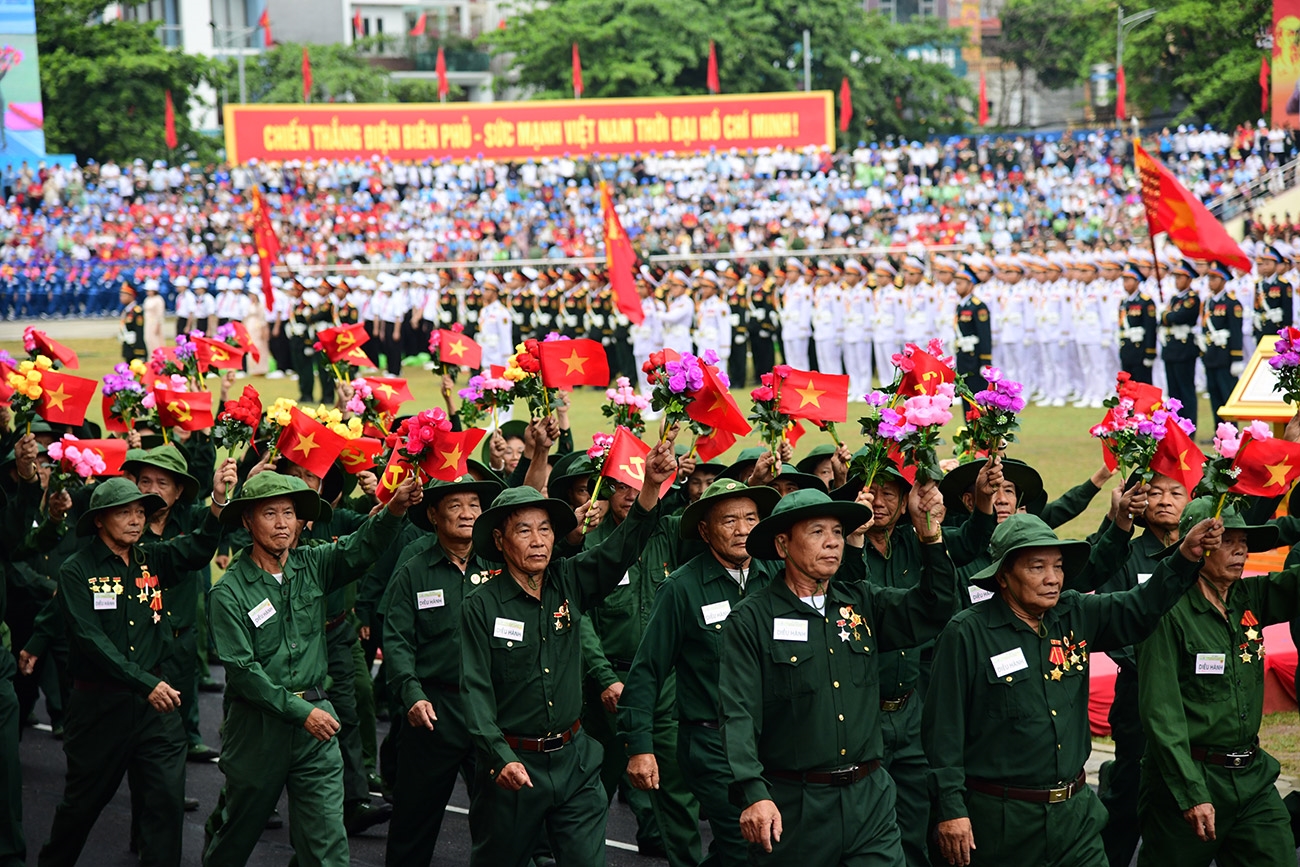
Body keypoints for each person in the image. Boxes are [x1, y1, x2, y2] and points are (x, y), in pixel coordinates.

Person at [923, 512, 1218, 867]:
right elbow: (943, 732)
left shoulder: (1076, 613)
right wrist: (951, 810)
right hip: (1002, 823)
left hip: (1076, 819)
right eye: (1037, 567)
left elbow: (1142, 606)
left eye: (1059, 567)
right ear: (1003, 575)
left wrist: (1184, 556)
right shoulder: (966, 633)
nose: (1053, 579)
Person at [459, 436, 677, 867]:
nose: (539, 540)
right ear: (500, 541)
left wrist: (650, 486)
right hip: (513, 766)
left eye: (545, 529)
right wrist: (499, 757)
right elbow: (474, 692)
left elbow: (622, 549)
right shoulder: (480, 606)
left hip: (575, 762)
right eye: (524, 530)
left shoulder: (568, 579)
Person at [719, 484, 958, 865]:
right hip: (796, 806)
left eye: (836, 532)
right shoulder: (751, 621)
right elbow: (738, 714)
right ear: (782, 546)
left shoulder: (862, 601)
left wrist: (931, 537)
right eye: (817, 532)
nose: (832, 543)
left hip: (871, 800)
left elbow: (935, 608)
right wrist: (753, 791)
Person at [201, 471, 421, 866]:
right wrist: (302, 713)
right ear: (248, 522)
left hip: (317, 725)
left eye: (290, 512)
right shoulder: (228, 592)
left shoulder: (314, 563)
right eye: (270, 513)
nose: (283, 522)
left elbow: (363, 547)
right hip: (258, 729)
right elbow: (244, 672)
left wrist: (395, 508)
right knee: (236, 835)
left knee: (326, 845)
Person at [38, 468, 231, 867]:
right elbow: (92, 642)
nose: (136, 519)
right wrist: (145, 682)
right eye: (124, 512)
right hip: (99, 711)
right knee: (81, 808)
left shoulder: (152, 557)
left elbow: (196, 550)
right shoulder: (77, 570)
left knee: (165, 803)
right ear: (99, 520)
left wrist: (217, 502)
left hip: (154, 713)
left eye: (141, 512)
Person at [621, 480, 783, 867]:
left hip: (773, 741)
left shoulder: (778, 575)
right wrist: (640, 747)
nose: (743, 529)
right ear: (705, 531)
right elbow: (647, 671)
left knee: (759, 845)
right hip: (712, 745)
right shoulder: (681, 588)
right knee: (746, 844)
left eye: (750, 518)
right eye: (729, 520)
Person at [1136, 498, 1297, 867]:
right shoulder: (1165, 610)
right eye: (1227, 540)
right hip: (1189, 778)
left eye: (1244, 541)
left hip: (1252, 777)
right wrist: (1190, 792)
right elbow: (1161, 714)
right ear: (1197, 546)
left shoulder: (1248, 596)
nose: (1240, 549)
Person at [381, 473, 502, 867]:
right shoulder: (414, 570)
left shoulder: (501, 566)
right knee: (414, 820)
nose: (467, 514)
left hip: (493, 710)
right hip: (434, 712)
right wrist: (411, 694)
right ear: (433, 514)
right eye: (455, 506)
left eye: (474, 505)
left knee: (501, 819)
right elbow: (397, 642)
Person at [1160, 260, 1202, 429]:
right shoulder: (1175, 299)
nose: (1177, 280)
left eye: (1180, 277)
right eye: (1176, 277)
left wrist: (1167, 315)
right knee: (1173, 392)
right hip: (1171, 348)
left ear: (1189, 278)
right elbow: (1164, 319)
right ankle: (1176, 426)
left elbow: (1177, 317)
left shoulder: (1192, 299)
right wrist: (1167, 315)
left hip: (1184, 350)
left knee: (1186, 392)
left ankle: (1189, 426)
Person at [1201, 262, 1244, 427]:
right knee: (1214, 395)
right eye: (1209, 278)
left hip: (1225, 357)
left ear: (1223, 279)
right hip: (1211, 355)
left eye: (1214, 278)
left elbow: (1236, 331)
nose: (1210, 282)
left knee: (1227, 395)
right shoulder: (1208, 302)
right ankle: (1218, 430)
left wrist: (1237, 358)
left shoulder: (1232, 303)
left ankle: (1231, 431)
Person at [953, 263, 992, 402]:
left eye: (960, 283)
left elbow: (985, 335)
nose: (956, 286)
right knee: (966, 397)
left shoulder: (978, 306)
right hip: (963, 356)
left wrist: (985, 361)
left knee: (977, 397)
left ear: (970, 284)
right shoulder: (960, 306)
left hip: (975, 358)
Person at [1119, 265, 1157, 384]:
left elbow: (1150, 328)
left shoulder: (1145, 301)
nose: (1125, 284)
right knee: (1128, 387)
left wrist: (1150, 352)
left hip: (1140, 350)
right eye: (1124, 280)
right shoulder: (1124, 302)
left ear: (1137, 281)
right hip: (1127, 349)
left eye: (1128, 280)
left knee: (1142, 385)